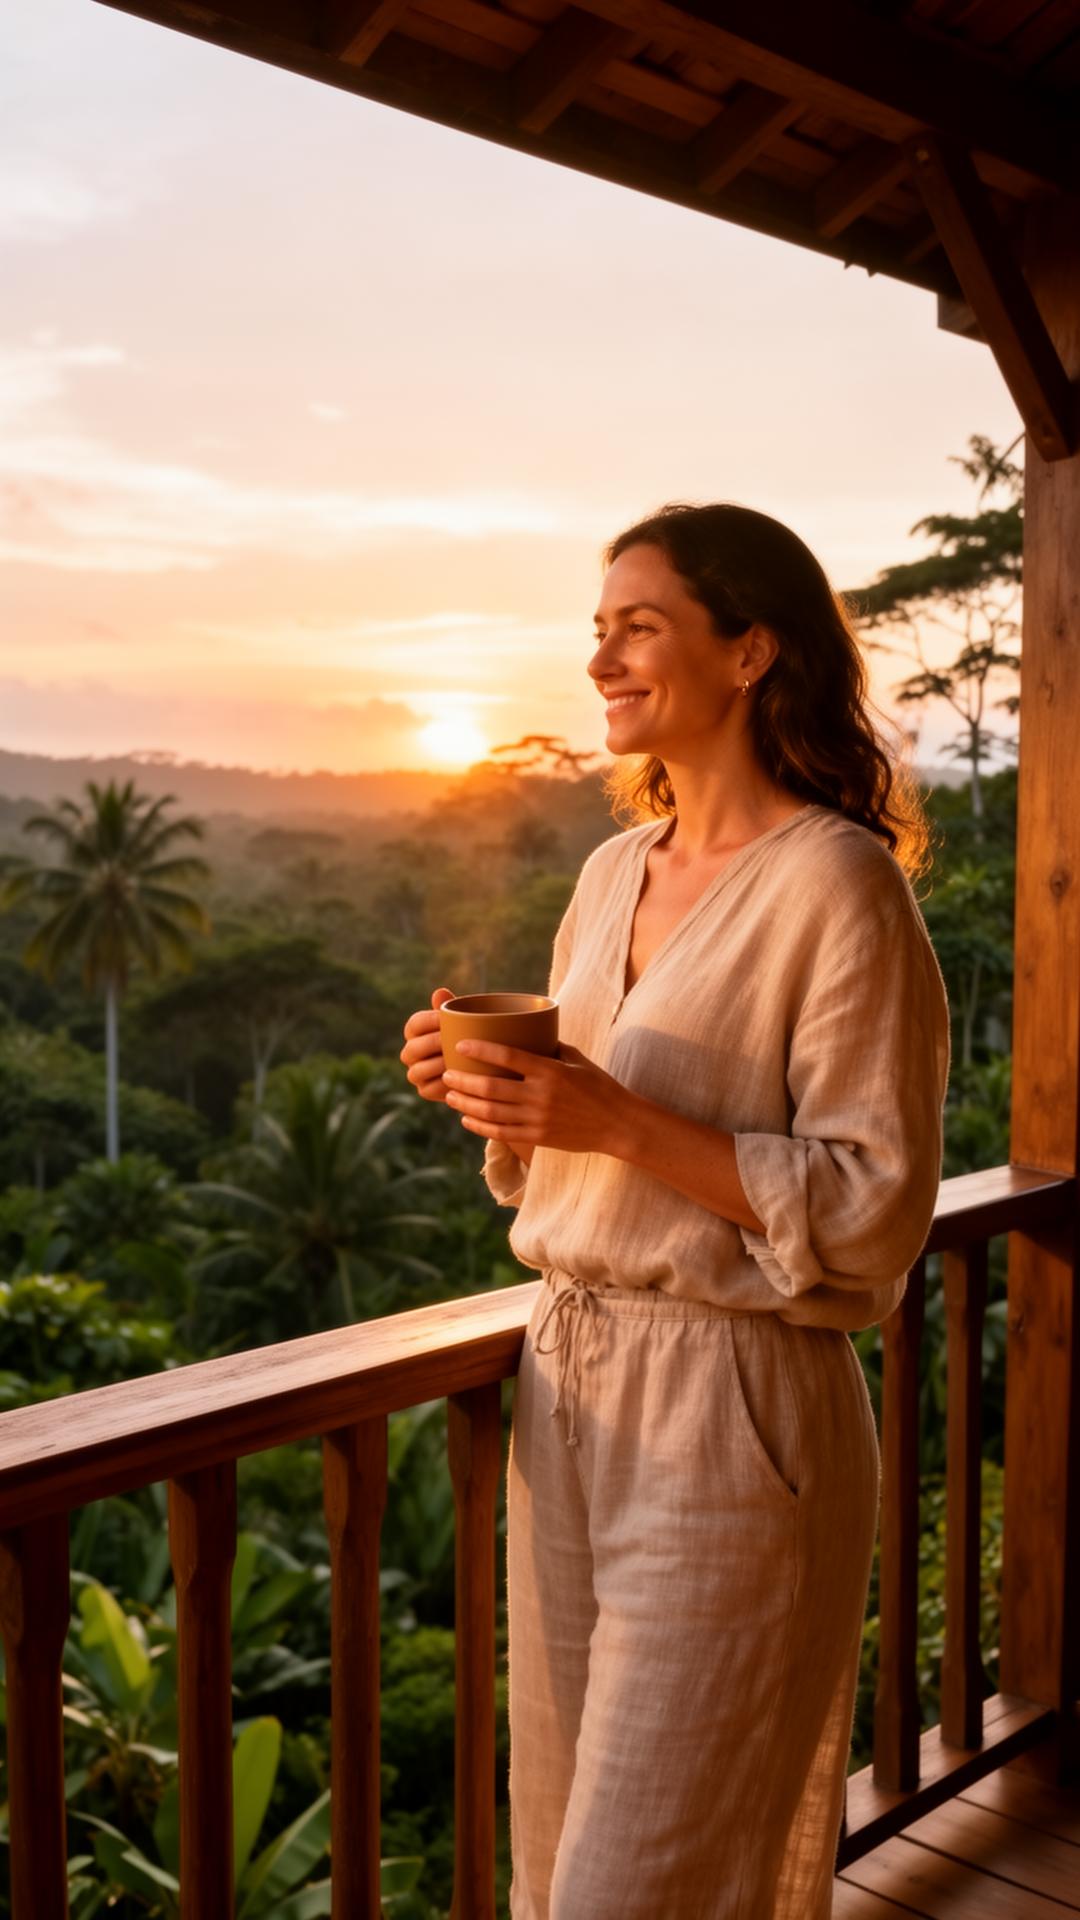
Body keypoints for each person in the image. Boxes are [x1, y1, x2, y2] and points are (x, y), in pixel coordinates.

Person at [400, 502, 950, 1920]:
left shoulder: (839, 886)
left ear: (752, 649)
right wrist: (490, 1090)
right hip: (567, 1386)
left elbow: (877, 1206)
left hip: (736, 1409)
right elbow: (558, 1160)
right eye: (599, 631)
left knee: (642, 1882)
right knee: (561, 1841)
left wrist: (616, 1119)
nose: (602, 662)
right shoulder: (606, 876)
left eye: (639, 627)